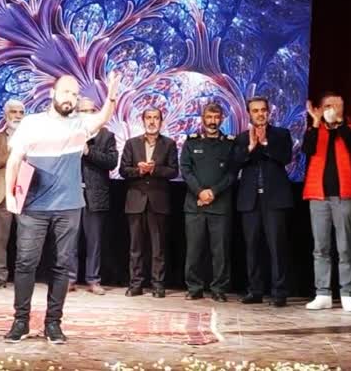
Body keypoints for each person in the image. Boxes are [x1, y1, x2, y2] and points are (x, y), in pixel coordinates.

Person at [2, 71, 120, 344]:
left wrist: (112, 95)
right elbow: (14, 160)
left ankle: (53, 324)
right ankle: (20, 321)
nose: (71, 98)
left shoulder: (80, 124)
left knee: (62, 265)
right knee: (25, 263)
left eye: (75, 94)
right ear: (52, 93)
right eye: (66, 92)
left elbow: (102, 117)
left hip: (69, 207)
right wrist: (10, 195)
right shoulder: (32, 123)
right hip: (33, 207)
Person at [232, 96, 294, 307]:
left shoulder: (281, 134)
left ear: (269, 112)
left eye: (263, 110)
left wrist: (265, 143)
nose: (260, 114)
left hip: (274, 199)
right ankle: (255, 290)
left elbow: (286, 158)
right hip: (250, 200)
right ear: (249, 114)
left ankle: (279, 292)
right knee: (252, 247)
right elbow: (234, 164)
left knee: (276, 247)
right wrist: (250, 147)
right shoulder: (242, 138)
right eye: (255, 110)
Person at [301, 93, 351, 312]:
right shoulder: (315, 130)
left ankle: (347, 293)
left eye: (337, 106)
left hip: (344, 195)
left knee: (345, 247)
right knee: (321, 247)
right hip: (318, 196)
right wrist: (316, 123)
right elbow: (307, 150)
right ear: (319, 109)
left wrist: (339, 124)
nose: (332, 109)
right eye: (327, 106)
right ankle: (323, 293)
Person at [119, 107, 178, 299]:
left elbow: (174, 171)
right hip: (136, 201)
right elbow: (123, 170)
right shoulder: (131, 143)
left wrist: (154, 170)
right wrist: (139, 170)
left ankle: (158, 285)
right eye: (149, 118)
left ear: (161, 121)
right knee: (135, 247)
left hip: (158, 201)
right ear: (143, 121)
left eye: (156, 118)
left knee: (158, 248)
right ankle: (135, 284)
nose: (152, 121)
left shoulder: (169, 144)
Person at [180, 102, 235, 303]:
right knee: (194, 250)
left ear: (222, 119)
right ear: (202, 118)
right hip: (195, 205)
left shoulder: (229, 143)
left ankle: (219, 289)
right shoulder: (191, 142)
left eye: (216, 117)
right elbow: (185, 170)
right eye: (209, 117)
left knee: (220, 252)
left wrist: (213, 192)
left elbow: (232, 173)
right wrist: (200, 192)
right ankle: (194, 288)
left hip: (220, 205)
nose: (213, 121)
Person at [67, 97, 118, 295]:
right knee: (70, 240)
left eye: (90, 111)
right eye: (83, 111)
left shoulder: (106, 136)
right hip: (71, 194)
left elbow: (111, 162)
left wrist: (89, 151)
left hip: (95, 195)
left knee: (94, 241)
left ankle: (93, 279)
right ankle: (69, 279)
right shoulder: (70, 133)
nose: (87, 115)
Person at [0, 99, 26, 290]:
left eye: (21, 112)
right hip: (2, 194)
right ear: (5, 114)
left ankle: (23, 277)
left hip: (25, 194)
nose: (17, 115)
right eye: (13, 112)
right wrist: (9, 156)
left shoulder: (31, 138)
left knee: (26, 239)